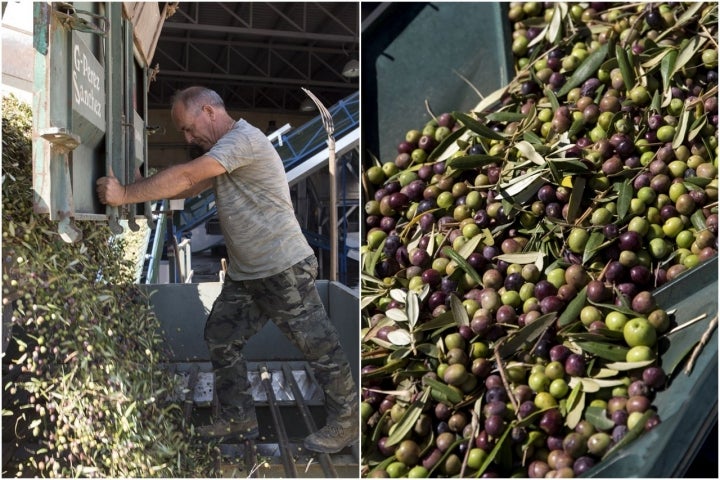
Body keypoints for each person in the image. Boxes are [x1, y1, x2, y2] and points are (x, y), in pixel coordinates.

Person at [96, 86, 358, 454]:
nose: (188, 138)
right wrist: (140, 185)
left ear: (208, 111)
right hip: (247, 274)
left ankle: (347, 424)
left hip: (282, 268)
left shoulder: (243, 140)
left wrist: (123, 194)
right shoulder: (222, 152)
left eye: (189, 128)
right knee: (221, 336)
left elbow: (187, 177)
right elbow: (189, 187)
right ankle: (239, 417)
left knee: (319, 346)